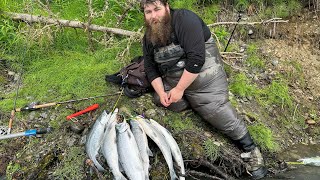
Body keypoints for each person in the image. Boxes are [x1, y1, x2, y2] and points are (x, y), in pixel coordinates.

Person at [140, 0, 267, 179]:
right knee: (160, 100)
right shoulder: (148, 37)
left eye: (157, 9)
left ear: (167, 7)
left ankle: (251, 150)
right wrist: (162, 93)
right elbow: (150, 68)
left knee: (214, 108)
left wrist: (179, 90)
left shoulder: (185, 20)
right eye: (148, 12)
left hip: (205, 76)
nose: (153, 16)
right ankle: (189, 102)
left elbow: (197, 59)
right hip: (175, 80)